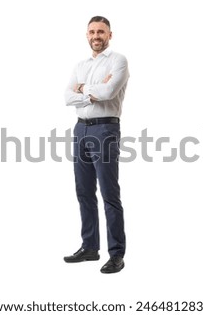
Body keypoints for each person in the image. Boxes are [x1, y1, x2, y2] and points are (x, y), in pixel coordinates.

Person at [63, 16, 129, 274]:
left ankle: (117, 254)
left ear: (110, 35)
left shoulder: (118, 61)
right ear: (87, 35)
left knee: (109, 194)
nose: (96, 35)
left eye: (101, 31)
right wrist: (89, 89)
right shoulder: (80, 65)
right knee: (83, 191)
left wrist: (83, 90)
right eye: (92, 31)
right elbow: (68, 97)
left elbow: (109, 92)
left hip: (105, 128)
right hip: (80, 129)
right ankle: (90, 246)